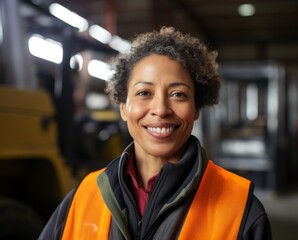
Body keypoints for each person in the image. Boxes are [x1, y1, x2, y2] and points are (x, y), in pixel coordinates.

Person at [39, 26, 272, 240]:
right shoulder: (83, 197)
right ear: (123, 108)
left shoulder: (242, 210)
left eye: (178, 94)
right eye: (143, 93)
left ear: (196, 109)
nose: (160, 109)